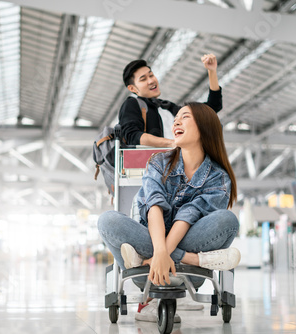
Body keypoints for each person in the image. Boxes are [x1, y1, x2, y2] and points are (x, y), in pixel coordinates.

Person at [97, 102, 240, 323]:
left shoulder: (218, 178)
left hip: (156, 260)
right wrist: (161, 253)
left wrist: (161, 255)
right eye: (176, 118)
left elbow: (189, 215)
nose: (176, 121)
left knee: (227, 220)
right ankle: (199, 259)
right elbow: (154, 206)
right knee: (108, 220)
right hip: (162, 254)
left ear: (204, 127)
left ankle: (142, 259)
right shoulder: (159, 162)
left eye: (185, 117)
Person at [119, 54, 222, 148]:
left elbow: (212, 108)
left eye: (151, 75)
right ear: (132, 88)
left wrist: (212, 71)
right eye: (143, 79)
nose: (151, 81)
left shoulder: (167, 106)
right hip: (150, 165)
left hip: (175, 164)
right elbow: (132, 136)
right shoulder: (132, 104)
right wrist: (172, 143)